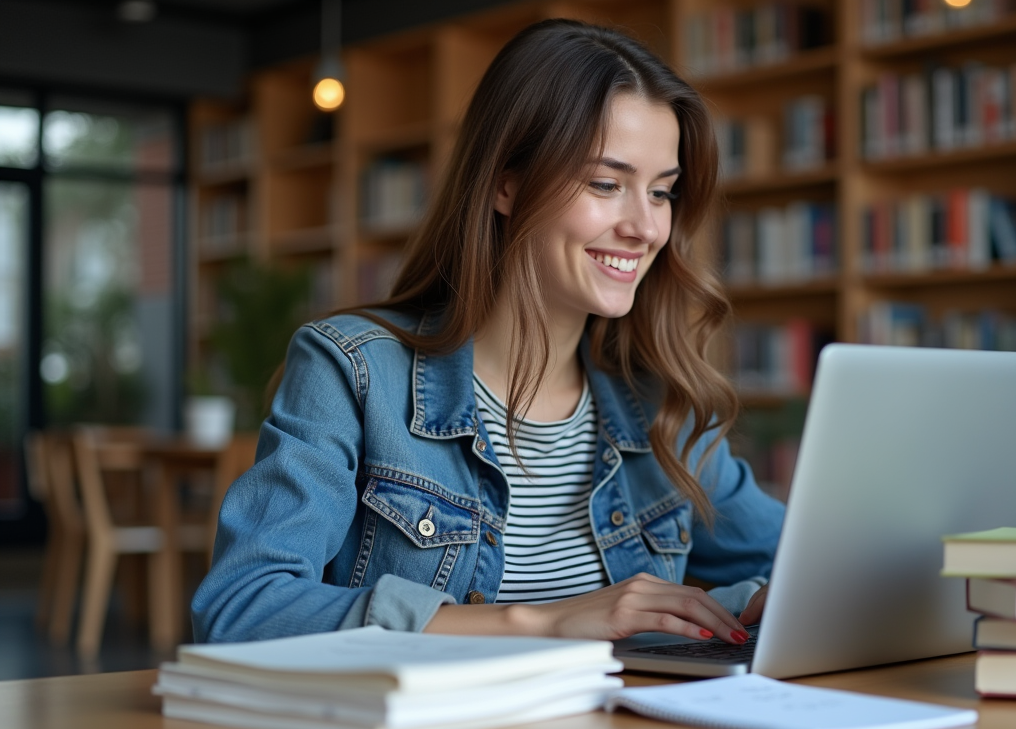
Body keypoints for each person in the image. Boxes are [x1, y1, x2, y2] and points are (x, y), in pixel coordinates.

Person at [192, 19, 785, 647]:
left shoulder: (659, 407)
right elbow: (240, 608)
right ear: (506, 182)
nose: (645, 227)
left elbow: (798, 567)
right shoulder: (355, 371)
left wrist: (732, 606)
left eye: (662, 193)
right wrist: (542, 622)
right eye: (607, 184)